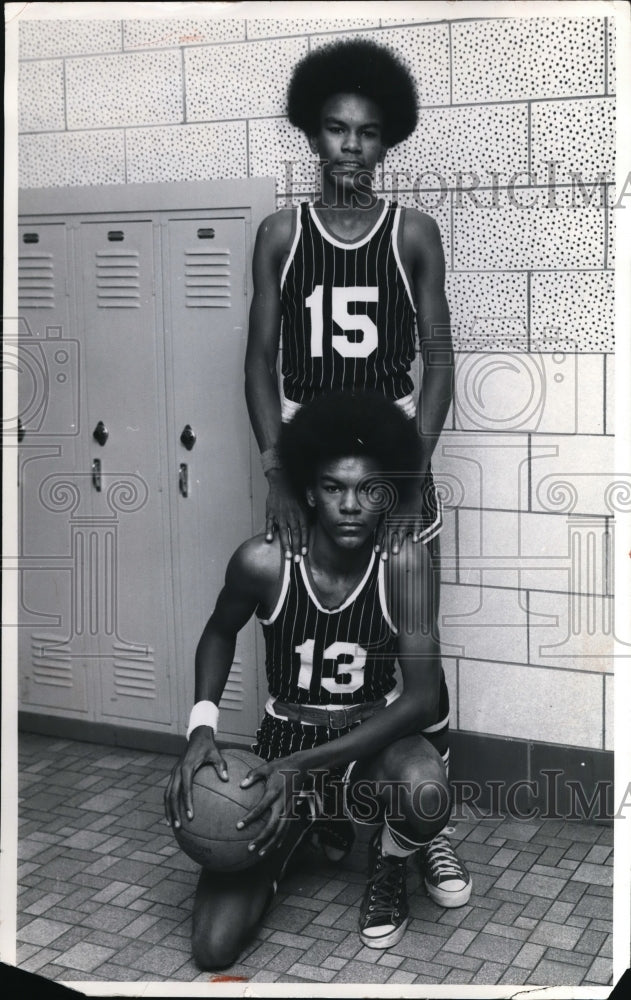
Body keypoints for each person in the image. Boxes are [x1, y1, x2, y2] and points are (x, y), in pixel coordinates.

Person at [243, 38, 470, 907]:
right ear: (311, 133)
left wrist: (412, 474)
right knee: (305, 626)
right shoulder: (278, 235)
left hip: (393, 467)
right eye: (334, 129)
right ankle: (322, 795)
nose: (349, 146)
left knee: (416, 643)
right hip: (309, 467)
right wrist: (273, 469)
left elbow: (439, 361)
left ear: (387, 142)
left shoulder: (412, 231)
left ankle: (425, 831)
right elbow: (259, 363)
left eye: (367, 133)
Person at [165, 393, 460, 969]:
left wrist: (308, 767)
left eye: (367, 490)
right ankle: (305, 828)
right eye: (333, 488)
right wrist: (202, 726)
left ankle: (391, 859)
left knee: (425, 792)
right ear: (308, 491)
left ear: (386, 497)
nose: (350, 506)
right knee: (213, 947)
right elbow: (219, 631)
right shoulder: (262, 562)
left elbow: (423, 698)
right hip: (283, 744)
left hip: (365, 742)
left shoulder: (402, 566)